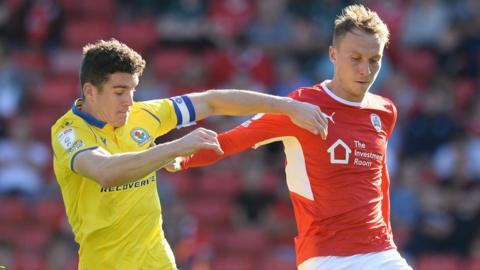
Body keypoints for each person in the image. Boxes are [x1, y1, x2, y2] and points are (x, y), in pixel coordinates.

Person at [167, 5, 413, 270]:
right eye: (355, 58)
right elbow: (233, 141)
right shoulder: (301, 107)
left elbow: (380, 181)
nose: (365, 69)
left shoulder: (384, 111)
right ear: (333, 55)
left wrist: (388, 238)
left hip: (383, 252)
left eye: (374, 60)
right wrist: (175, 159)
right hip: (328, 258)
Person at [50, 38, 327, 270]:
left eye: (133, 90)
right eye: (120, 92)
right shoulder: (69, 133)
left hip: (157, 261)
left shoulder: (142, 115)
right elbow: (105, 172)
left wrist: (288, 106)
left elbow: (212, 101)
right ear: (90, 91)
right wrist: (176, 146)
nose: (130, 101)